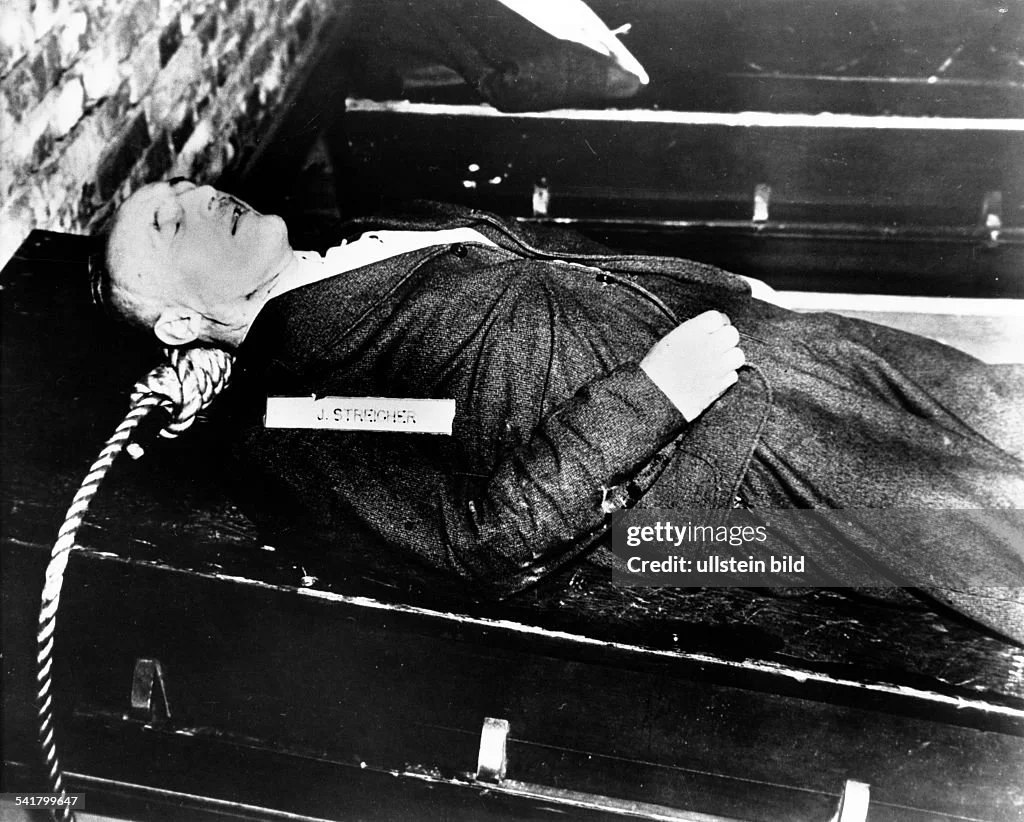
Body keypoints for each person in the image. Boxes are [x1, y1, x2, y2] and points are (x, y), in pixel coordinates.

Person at [99, 179, 1024, 643]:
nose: (198, 197)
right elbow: (480, 539)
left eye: (183, 186)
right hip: (705, 496)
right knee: (993, 529)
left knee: (996, 401)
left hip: (756, 345)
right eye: (171, 224)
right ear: (181, 323)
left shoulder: (367, 237)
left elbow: (552, 263)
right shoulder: (289, 416)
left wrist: (716, 285)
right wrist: (656, 395)